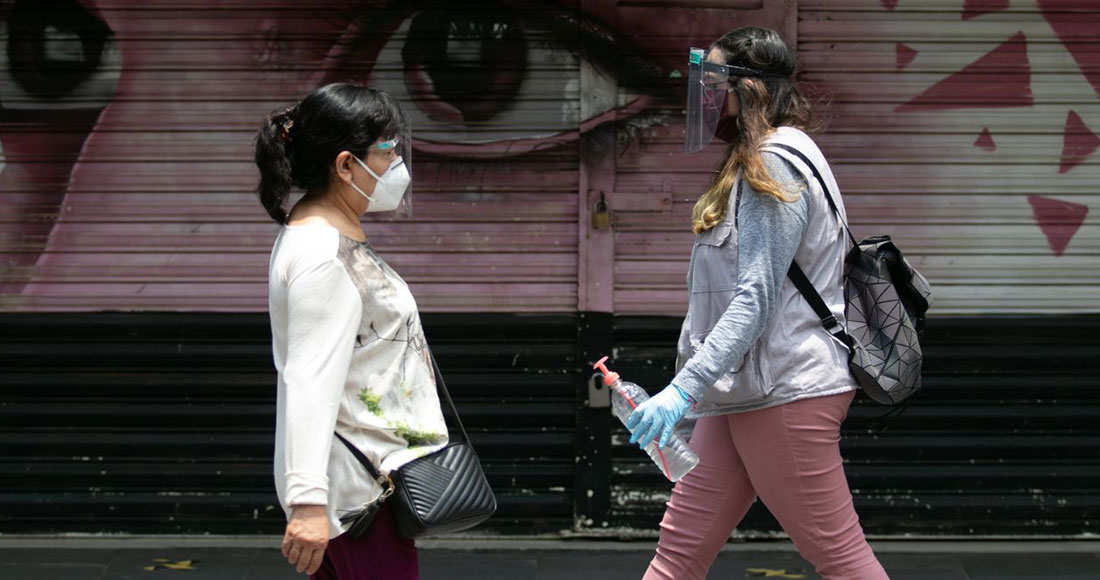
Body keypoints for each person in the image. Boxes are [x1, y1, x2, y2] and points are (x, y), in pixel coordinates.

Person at [625, 28, 890, 580]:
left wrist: (682, 389)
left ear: (749, 90)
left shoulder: (776, 161)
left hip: (785, 393)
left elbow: (755, 298)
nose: (703, 99)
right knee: (676, 557)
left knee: (841, 559)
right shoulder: (757, 159)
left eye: (713, 82)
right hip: (744, 392)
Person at [254, 83, 448, 580]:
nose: (396, 165)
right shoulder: (322, 255)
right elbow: (309, 380)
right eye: (386, 151)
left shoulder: (324, 236)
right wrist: (308, 502)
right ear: (345, 166)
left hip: (366, 485)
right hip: (358, 497)